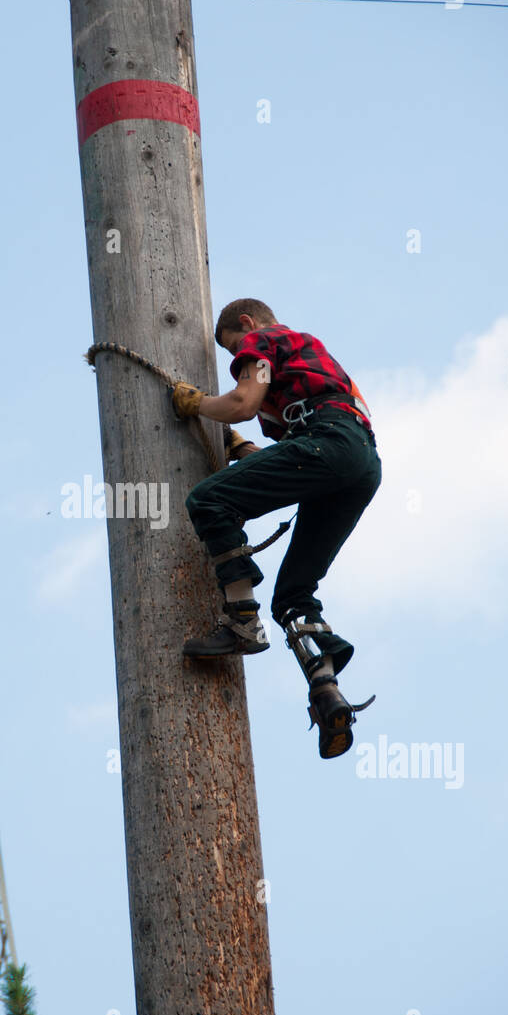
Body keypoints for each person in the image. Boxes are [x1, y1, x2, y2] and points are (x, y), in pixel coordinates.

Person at [171, 298, 382, 759]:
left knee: (208, 500)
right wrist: (241, 450)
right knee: (295, 592)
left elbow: (244, 403)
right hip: (357, 461)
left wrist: (199, 404)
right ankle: (327, 691)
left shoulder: (261, 339)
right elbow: (289, 451)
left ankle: (242, 621)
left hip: (330, 444)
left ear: (246, 326)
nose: (239, 361)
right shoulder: (305, 359)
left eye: (233, 354)